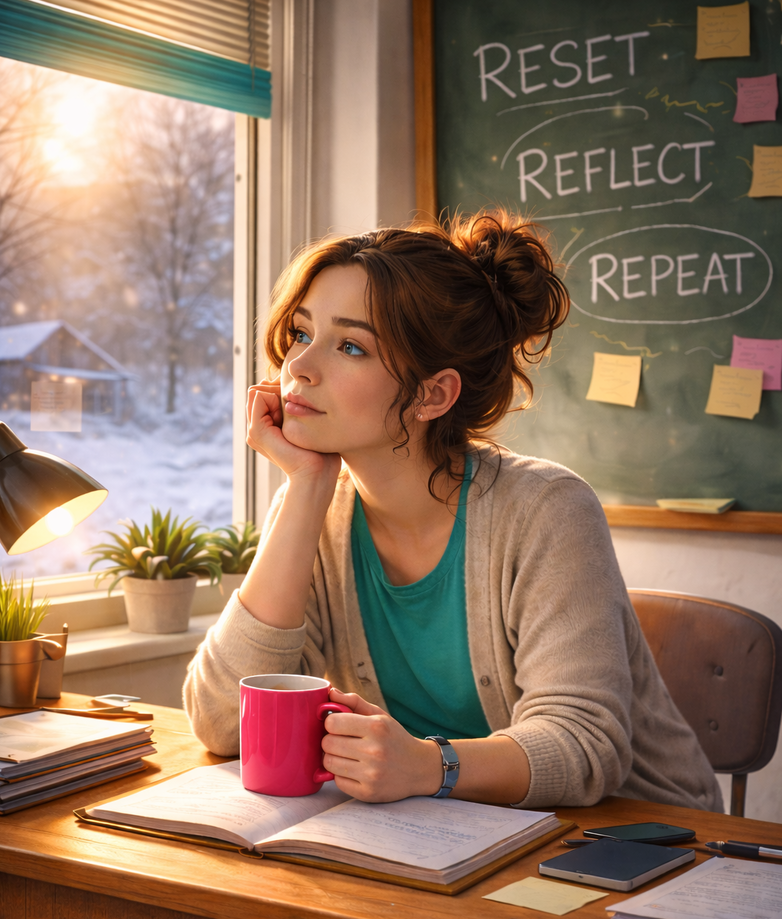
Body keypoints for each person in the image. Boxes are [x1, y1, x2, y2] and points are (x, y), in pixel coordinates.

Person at [184, 211, 722, 811]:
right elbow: (221, 722)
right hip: (448, 838)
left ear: (432, 394)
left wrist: (426, 764)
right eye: (303, 334)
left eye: (351, 346)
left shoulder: (546, 511)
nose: (299, 369)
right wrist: (307, 486)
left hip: (637, 844)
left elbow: (584, 746)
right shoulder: (315, 511)